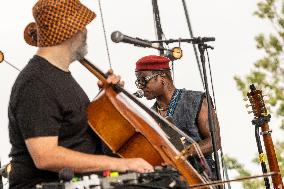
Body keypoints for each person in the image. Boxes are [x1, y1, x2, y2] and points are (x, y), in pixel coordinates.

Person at [8, 0, 153, 188]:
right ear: (71, 31)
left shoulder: (58, 76)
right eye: (82, 25)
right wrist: (124, 164)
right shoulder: (35, 82)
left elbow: (73, 127)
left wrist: (108, 101)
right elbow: (45, 156)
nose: (85, 31)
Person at [134, 55, 221, 179]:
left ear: (162, 77)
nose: (140, 86)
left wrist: (185, 152)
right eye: (138, 81)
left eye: (144, 80)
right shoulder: (150, 115)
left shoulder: (196, 99)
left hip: (203, 178)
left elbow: (214, 141)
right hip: (170, 180)